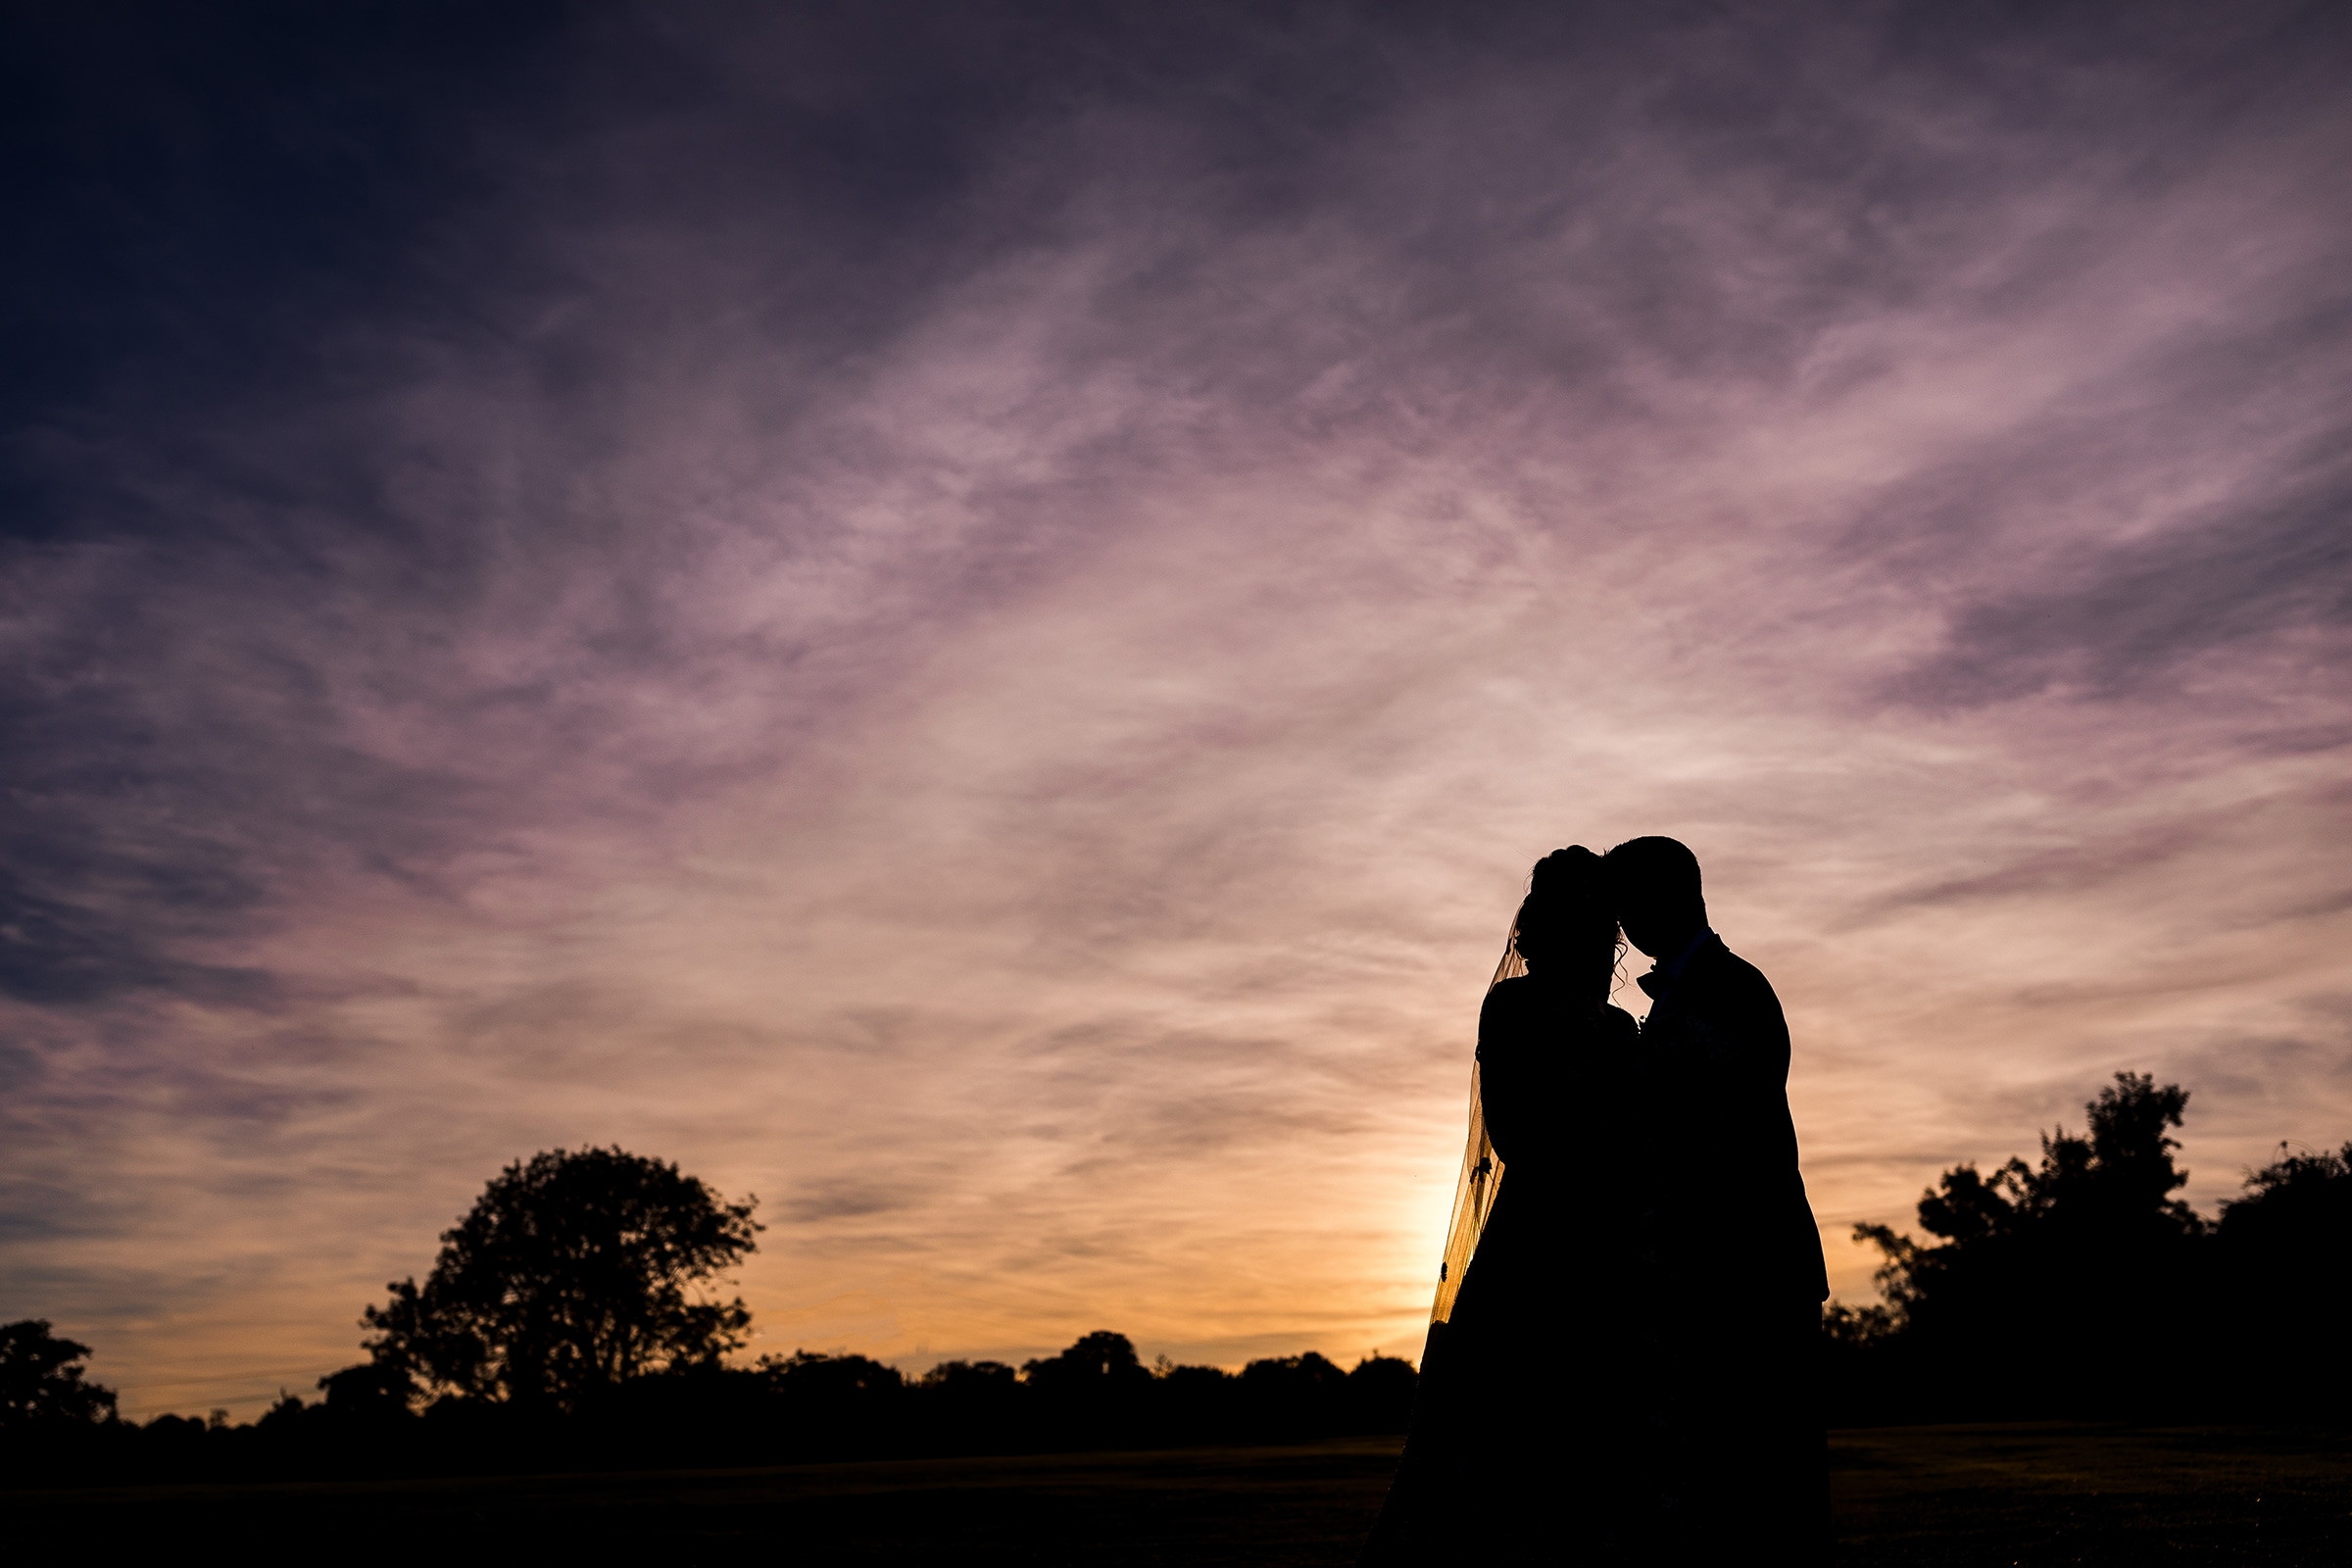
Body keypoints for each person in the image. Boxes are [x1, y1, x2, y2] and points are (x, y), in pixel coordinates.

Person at [1362, 846, 1649, 1563]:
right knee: (1512, 1420)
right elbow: (1513, 1131)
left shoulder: (1621, 1030)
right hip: (1538, 1238)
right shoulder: (1513, 1007)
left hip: (1609, 1239)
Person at [1602, 835, 1828, 1559]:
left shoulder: (1735, 987)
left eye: (1630, 903)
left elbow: (1736, 1135)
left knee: (1768, 1488)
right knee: (1720, 1493)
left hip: (1749, 1266)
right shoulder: (1696, 988)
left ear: (1672, 896)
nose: (1624, 926)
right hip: (1708, 1271)